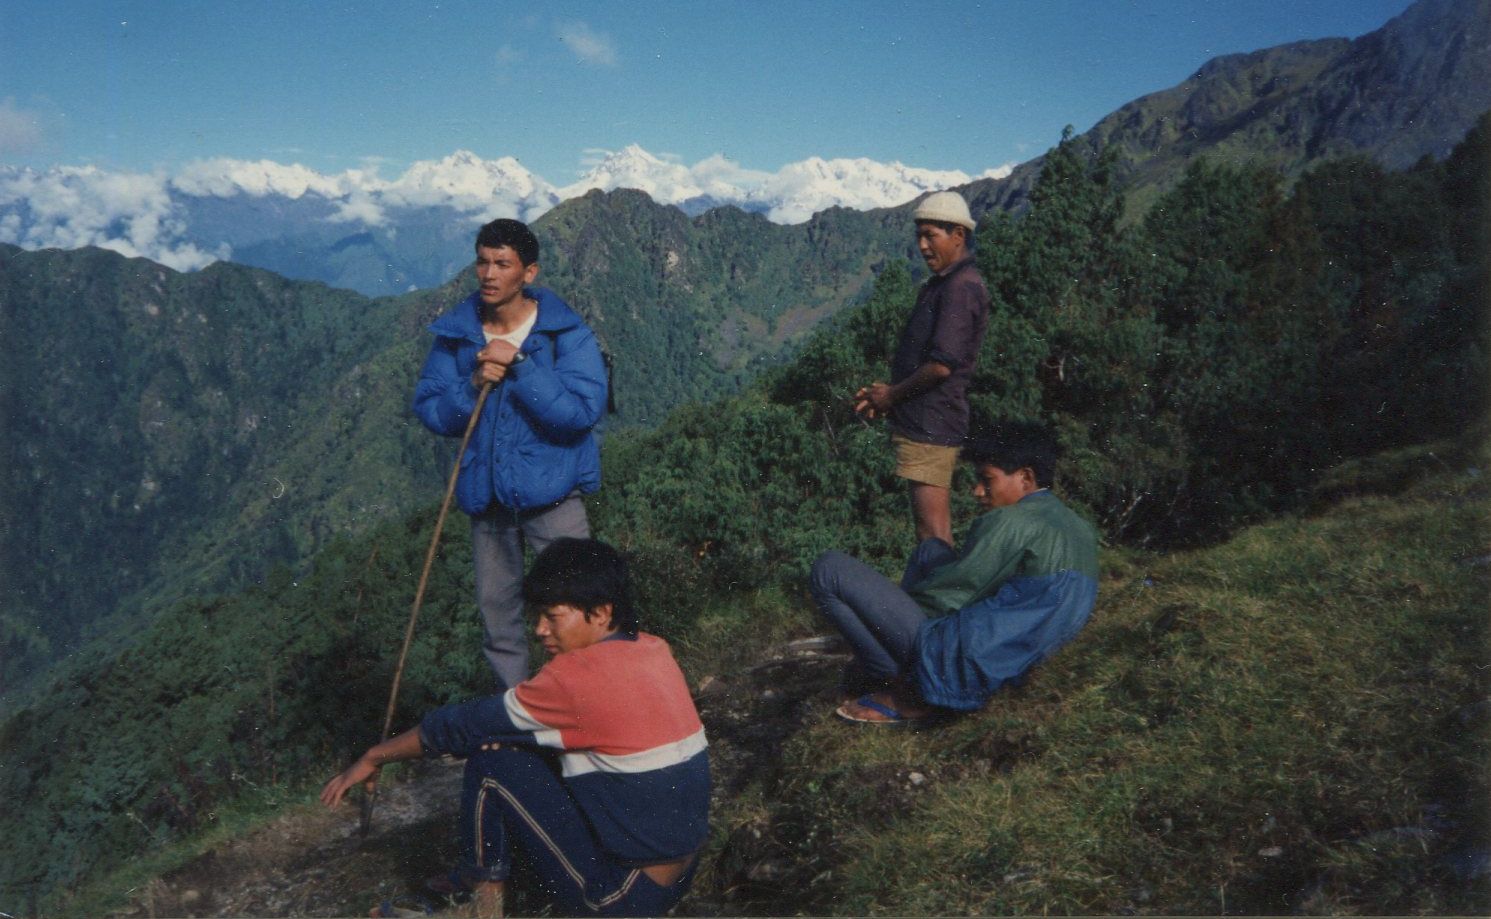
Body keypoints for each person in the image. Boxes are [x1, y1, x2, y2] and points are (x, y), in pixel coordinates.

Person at [322, 538, 710, 918]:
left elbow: (462, 727)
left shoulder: (575, 678)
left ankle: (479, 904)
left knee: (492, 765)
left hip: (621, 899)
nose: (540, 630)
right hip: (678, 874)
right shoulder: (652, 648)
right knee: (509, 748)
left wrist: (375, 755)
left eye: (552, 616)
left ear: (601, 613)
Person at [414, 218, 608, 690]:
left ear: (529, 273)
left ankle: (587, 699)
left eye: (503, 263)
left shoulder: (565, 334)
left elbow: (579, 415)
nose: (488, 274)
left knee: (577, 606)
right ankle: (520, 714)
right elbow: (432, 412)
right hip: (489, 503)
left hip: (554, 499)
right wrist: (473, 385)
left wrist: (519, 367)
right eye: (482, 261)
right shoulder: (458, 335)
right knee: (498, 615)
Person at [809, 424, 1098, 724]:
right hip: (1022, 647)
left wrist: (880, 614)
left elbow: (948, 598)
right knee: (930, 550)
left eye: (987, 480)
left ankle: (899, 682)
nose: (977, 491)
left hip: (972, 658)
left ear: (1025, 477)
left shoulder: (1011, 521)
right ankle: (892, 665)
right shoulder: (1078, 526)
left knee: (828, 570)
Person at [854, 190, 990, 546]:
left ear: (958, 235)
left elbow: (942, 366)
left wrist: (891, 396)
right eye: (919, 235)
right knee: (929, 529)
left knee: (932, 532)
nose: (923, 245)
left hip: (933, 424)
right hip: (926, 421)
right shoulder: (947, 283)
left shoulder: (960, 288)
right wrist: (889, 396)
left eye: (931, 235)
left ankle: (936, 598)